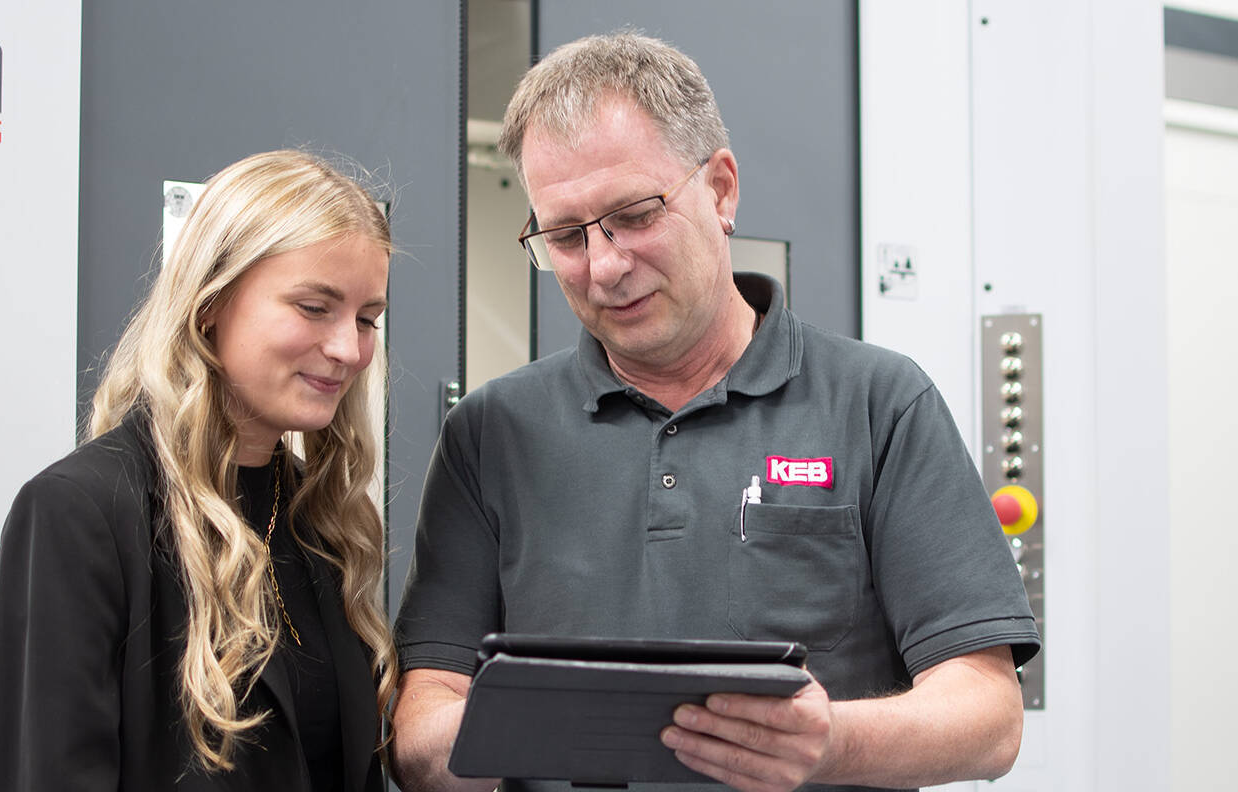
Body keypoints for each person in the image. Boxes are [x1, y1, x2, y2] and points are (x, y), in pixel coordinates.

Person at [391, 33, 1040, 792]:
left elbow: (988, 717)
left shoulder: (879, 404)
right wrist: (536, 727)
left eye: (633, 215)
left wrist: (829, 743)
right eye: (564, 236)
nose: (604, 266)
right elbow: (419, 732)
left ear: (721, 190)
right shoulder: (490, 434)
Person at [0, 150, 395, 791]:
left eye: (367, 319)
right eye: (315, 308)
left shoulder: (325, 527)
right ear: (209, 305)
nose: (348, 349)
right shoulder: (80, 513)